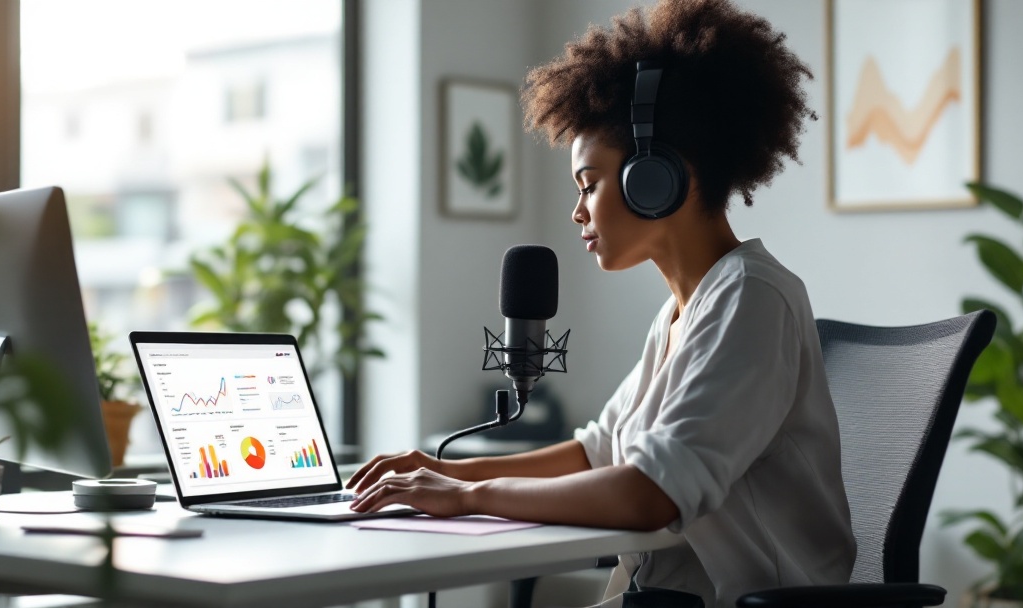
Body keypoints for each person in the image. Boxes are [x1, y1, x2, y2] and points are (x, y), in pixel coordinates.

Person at [346, 0, 856, 605]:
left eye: (588, 185)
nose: (577, 212)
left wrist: (467, 498)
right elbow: (598, 453)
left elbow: (649, 495)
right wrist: (445, 471)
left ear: (656, 177)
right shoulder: (682, 313)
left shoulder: (752, 297)